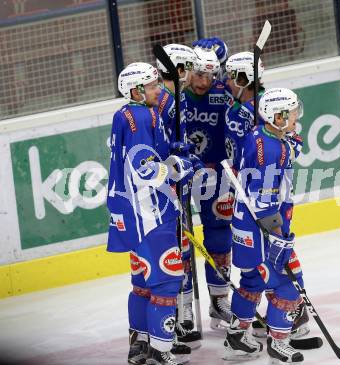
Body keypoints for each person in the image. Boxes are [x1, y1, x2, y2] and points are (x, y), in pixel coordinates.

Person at [107, 62, 196, 365]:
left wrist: (171, 146)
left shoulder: (125, 114)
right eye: (152, 85)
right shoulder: (143, 116)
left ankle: (140, 345)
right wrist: (181, 166)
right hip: (150, 212)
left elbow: (143, 152)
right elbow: (146, 169)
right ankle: (161, 350)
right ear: (135, 91)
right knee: (166, 280)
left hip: (128, 215)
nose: (159, 89)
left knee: (142, 282)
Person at [223, 88, 306, 363]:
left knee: (252, 280)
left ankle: (237, 337)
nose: (297, 117)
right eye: (292, 113)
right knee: (285, 282)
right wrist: (278, 235)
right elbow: (264, 200)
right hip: (261, 228)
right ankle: (279, 342)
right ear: (277, 116)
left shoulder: (260, 135)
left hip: (244, 225)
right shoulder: (271, 150)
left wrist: (289, 142)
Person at [156, 44, 204, 347]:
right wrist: (176, 159)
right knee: (174, 253)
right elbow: (159, 149)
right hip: (166, 190)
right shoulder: (163, 102)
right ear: (180, 69)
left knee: (183, 251)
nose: (192, 74)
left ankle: (181, 318)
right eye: (188, 67)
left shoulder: (175, 99)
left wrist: (184, 154)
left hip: (177, 185)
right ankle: (171, 321)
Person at [184, 46, 235, 331]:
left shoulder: (221, 93)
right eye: (198, 75)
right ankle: (183, 306)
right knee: (178, 240)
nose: (204, 82)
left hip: (215, 174)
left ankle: (219, 300)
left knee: (218, 236)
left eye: (210, 75)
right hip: (179, 175)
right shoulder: (174, 97)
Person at [223, 51, 264, 170]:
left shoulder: (264, 107)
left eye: (230, 78)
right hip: (235, 179)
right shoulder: (235, 102)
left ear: (241, 81)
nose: (227, 82)